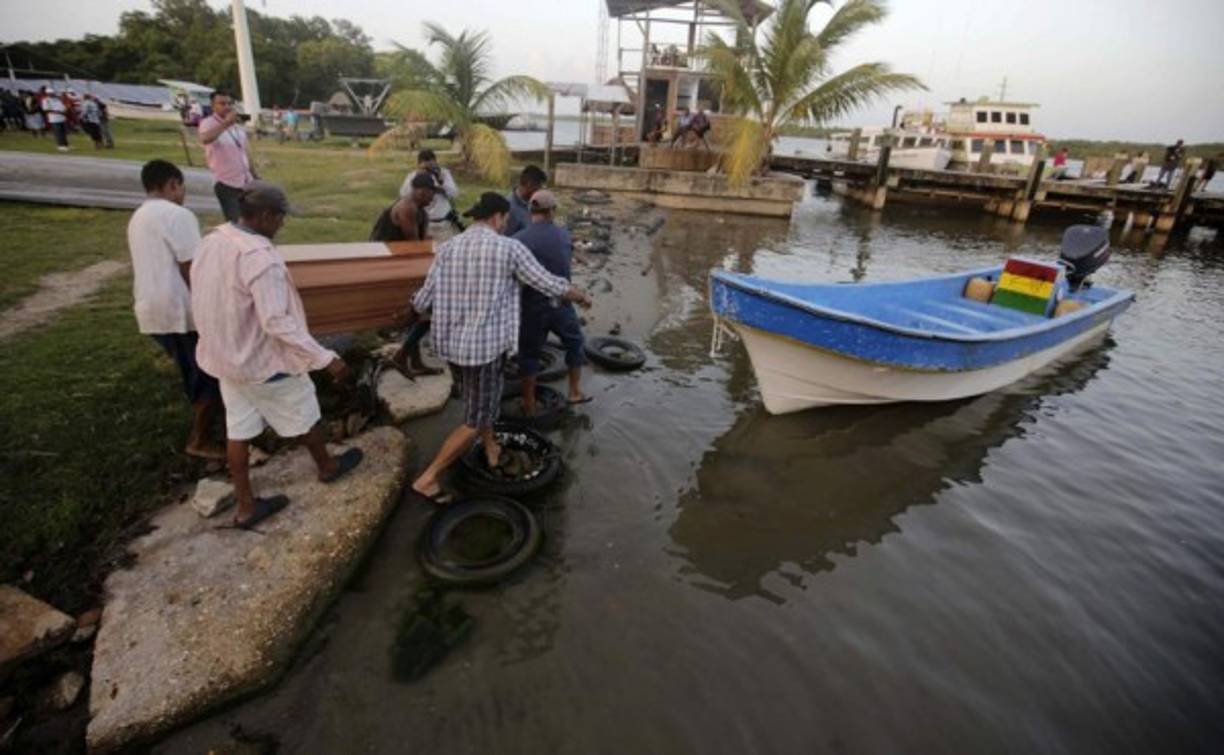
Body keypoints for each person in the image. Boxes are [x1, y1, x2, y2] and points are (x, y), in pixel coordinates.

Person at [191, 182, 363, 528]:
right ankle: (328, 468)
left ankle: (245, 506)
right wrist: (325, 358)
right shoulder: (261, 257)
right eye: (281, 216)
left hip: (225, 357)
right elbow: (276, 322)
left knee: (238, 430)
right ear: (266, 215)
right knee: (304, 414)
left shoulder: (214, 239)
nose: (283, 224)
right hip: (263, 360)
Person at [408, 192, 592, 503]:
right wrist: (580, 296)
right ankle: (428, 477)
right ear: (498, 217)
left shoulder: (448, 247)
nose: (505, 223)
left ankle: (491, 447)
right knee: (476, 419)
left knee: (479, 404)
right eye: (505, 219)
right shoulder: (508, 248)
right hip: (483, 351)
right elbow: (548, 283)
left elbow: (423, 300)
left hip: (450, 348)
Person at [128, 159, 226, 461]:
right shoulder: (177, 215)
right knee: (209, 376)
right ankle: (199, 439)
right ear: (173, 184)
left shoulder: (139, 216)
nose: (183, 193)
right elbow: (190, 267)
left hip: (151, 308)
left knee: (195, 373)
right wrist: (210, 306)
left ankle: (216, 428)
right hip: (178, 310)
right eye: (181, 187)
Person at [512, 190, 590, 413]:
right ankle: (575, 392)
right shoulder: (563, 235)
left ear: (530, 211)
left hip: (531, 307)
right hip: (561, 303)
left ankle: (528, 402)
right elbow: (565, 254)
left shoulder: (518, 240)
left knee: (528, 353)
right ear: (552, 211)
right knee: (575, 343)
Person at [198, 90, 257, 222]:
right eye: (222, 103)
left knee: (249, 221)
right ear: (213, 106)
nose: (227, 107)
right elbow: (205, 139)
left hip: (245, 181)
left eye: (229, 103)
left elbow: (245, 152)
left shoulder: (236, 126)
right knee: (236, 222)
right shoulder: (208, 123)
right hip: (226, 182)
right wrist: (225, 124)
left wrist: (254, 175)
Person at [401, 149, 464, 237]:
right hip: (424, 224)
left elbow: (454, 193)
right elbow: (404, 195)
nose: (429, 171)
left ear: (436, 163)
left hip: (444, 224)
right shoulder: (413, 176)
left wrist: (442, 184)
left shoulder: (444, 174)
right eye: (425, 168)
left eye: (432, 167)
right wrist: (417, 179)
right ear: (418, 165)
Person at [371, 173, 436, 243]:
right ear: (423, 192)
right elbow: (414, 243)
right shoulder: (407, 207)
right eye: (433, 192)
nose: (433, 197)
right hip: (384, 251)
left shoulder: (422, 212)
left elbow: (424, 239)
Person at [504, 165, 547, 237]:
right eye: (538, 188)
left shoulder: (534, 203)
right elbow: (506, 239)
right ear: (529, 184)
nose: (540, 192)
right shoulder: (509, 208)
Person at [42, 87, 69, 151]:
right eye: (50, 93)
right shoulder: (46, 100)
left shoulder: (57, 99)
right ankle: (60, 145)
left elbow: (62, 106)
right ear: (47, 93)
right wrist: (59, 112)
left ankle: (66, 144)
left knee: (64, 132)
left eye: (53, 93)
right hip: (54, 119)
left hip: (62, 118)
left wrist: (65, 110)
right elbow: (46, 110)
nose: (52, 94)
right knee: (58, 132)